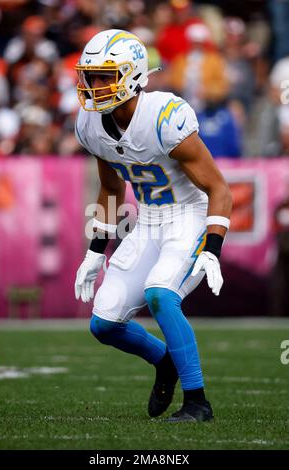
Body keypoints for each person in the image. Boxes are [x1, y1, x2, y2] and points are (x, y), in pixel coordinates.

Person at [74, 29, 232, 423]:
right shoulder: (91, 124)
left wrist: (212, 247)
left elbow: (218, 187)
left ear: (131, 76)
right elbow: (111, 187)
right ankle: (166, 362)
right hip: (148, 220)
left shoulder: (164, 116)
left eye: (103, 77)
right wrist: (95, 252)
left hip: (189, 216)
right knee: (104, 323)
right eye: (90, 76)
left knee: (161, 293)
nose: (94, 86)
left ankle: (198, 402)